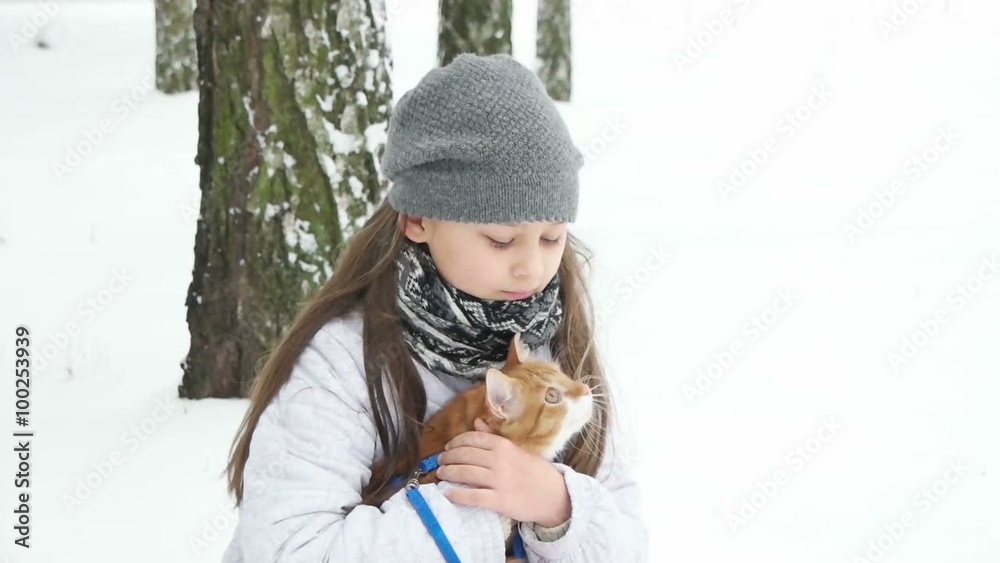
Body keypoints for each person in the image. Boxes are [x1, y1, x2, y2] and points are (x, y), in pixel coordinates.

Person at [221, 53, 648, 562]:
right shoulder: (341, 363)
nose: (532, 269)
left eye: (552, 237)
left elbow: (628, 541)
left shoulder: (549, 347)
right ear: (419, 220)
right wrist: (471, 500)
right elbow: (290, 549)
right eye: (500, 239)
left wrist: (556, 504)